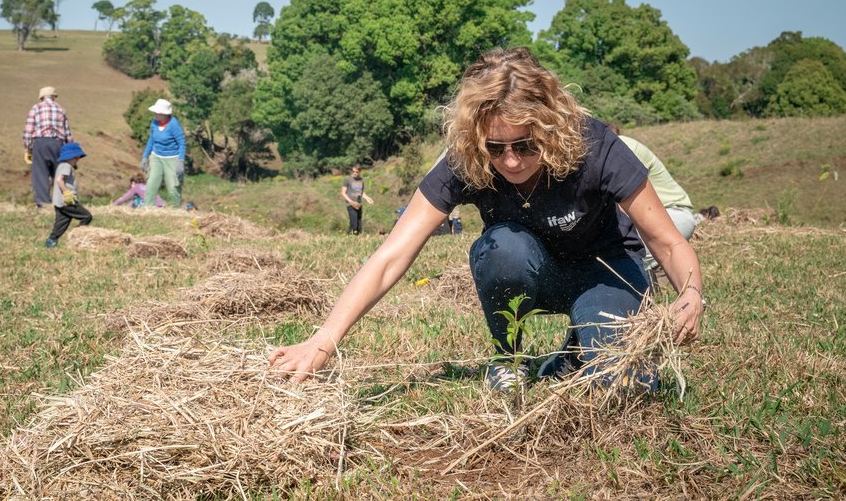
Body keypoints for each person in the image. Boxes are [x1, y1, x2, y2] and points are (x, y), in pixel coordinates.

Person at [269, 47, 705, 393]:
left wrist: (690, 294)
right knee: (502, 248)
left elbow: (667, 241)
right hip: (531, 268)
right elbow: (391, 255)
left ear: (551, 127)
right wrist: (323, 340)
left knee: (624, 386)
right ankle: (508, 358)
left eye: (526, 145)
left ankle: (578, 349)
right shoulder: (468, 157)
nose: (511, 161)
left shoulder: (596, 145)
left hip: (605, 271)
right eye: (496, 148)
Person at [606, 124, 699, 286]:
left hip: (673, 214)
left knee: (624, 245)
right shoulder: (615, 147)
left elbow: (620, 204)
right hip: (662, 216)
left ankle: (648, 286)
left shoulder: (619, 148)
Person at [24, 86, 74, 207]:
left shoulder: (36, 108)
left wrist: (28, 148)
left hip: (40, 143)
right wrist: (70, 151)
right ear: (54, 97)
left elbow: (28, 131)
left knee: (40, 174)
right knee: (59, 173)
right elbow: (68, 133)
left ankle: (43, 204)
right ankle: (62, 202)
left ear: (41, 97)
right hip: (58, 144)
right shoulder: (61, 109)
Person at [139, 99, 185, 208]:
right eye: (155, 112)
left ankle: (175, 210)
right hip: (156, 157)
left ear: (165, 114)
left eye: (158, 113)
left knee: (173, 187)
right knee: (151, 184)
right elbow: (151, 139)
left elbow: (182, 143)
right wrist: (145, 156)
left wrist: (181, 161)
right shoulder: (154, 123)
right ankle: (148, 208)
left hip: (172, 158)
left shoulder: (174, 125)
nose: (155, 115)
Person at [45, 142, 92, 248]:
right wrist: (67, 193)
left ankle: (51, 241)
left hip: (59, 202)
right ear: (71, 157)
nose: (78, 159)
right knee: (86, 216)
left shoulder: (62, 166)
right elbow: (59, 180)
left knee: (61, 224)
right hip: (67, 201)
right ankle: (78, 237)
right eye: (76, 157)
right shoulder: (66, 166)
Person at [341, 165, 375, 234]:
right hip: (350, 204)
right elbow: (343, 193)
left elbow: (361, 192)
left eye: (356, 172)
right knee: (354, 222)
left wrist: (368, 199)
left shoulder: (361, 180)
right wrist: (350, 202)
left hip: (358, 204)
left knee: (359, 223)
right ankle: (354, 235)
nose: (354, 173)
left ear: (359, 172)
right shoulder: (347, 180)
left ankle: (351, 236)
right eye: (353, 171)